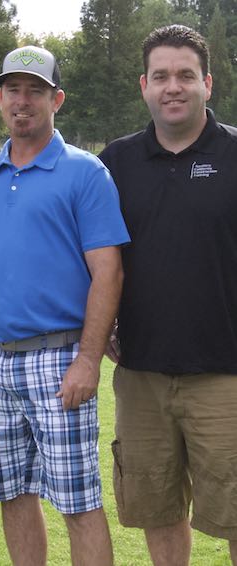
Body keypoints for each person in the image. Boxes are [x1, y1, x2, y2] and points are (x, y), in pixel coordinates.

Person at [0, 45, 130, 566]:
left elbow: (107, 271)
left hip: (58, 358)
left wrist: (88, 360)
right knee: (12, 494)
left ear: (56, 99)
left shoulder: (85, 173)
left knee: (78, 501)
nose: (23, 101)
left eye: (36, 91)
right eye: (14, 90)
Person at [99, 24, 237, 566]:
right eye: (161, 76)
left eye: (185, 75)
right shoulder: (116, 162)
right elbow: (96, 260)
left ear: (207, 83)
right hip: (141, 375)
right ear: (144, 86)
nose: (172, 87)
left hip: (225, 375)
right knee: (156, 511)